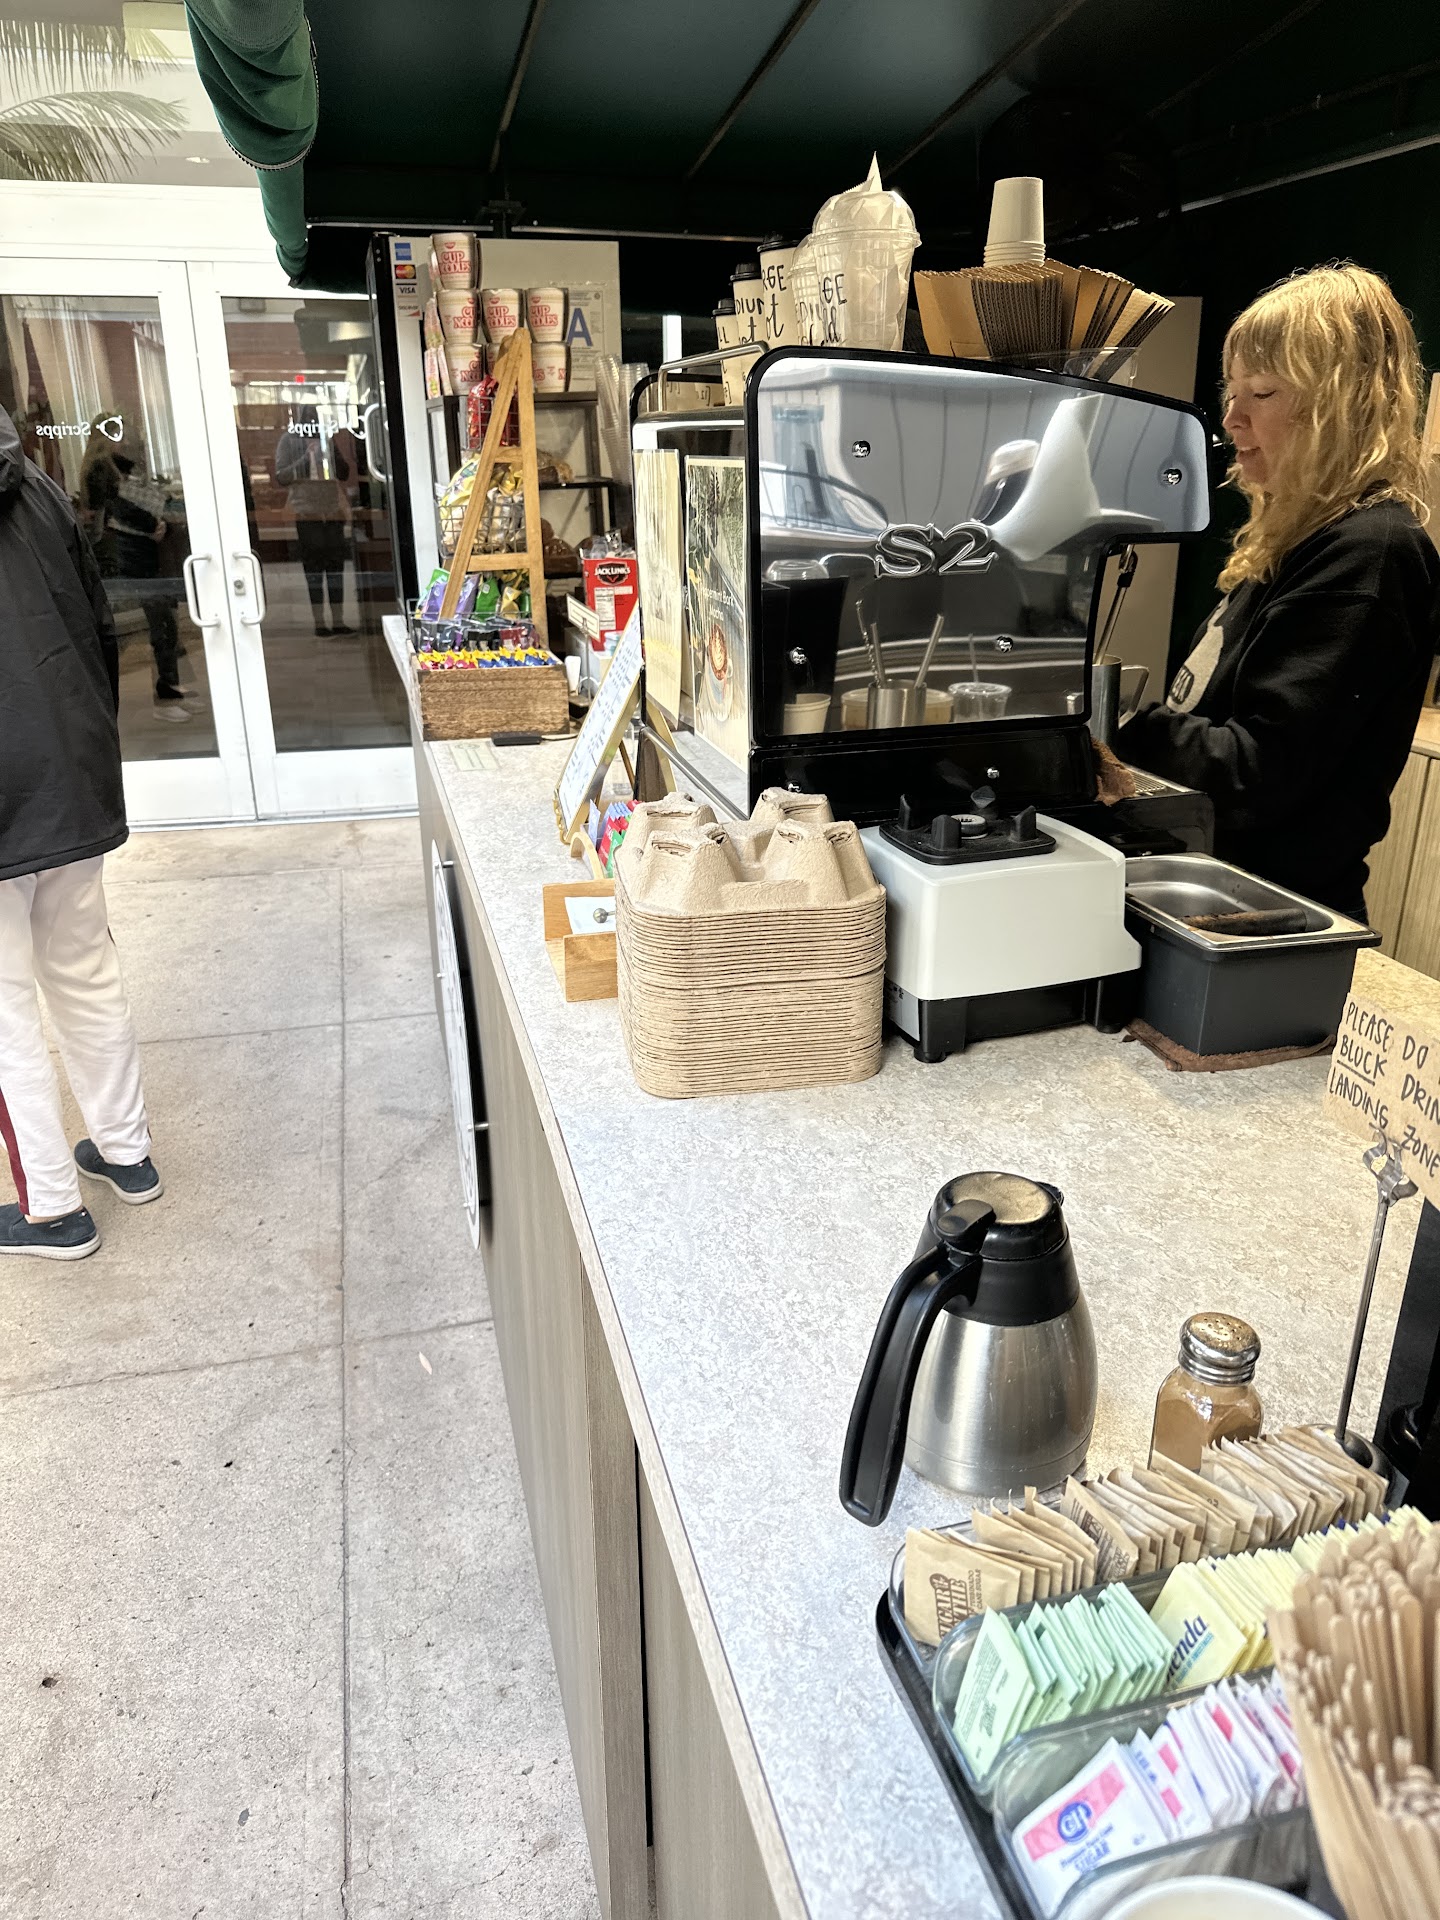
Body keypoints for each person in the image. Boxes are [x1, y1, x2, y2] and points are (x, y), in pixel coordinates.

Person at [1118, 264, 1440, 920]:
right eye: (1231, 392)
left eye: (1261, 393)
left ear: (1341, 403)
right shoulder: (1298, 541)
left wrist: (1117, 722)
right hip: (1220, 891)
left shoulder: (1369, 553)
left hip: (1271, 919)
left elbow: (1253, 774)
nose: (1231, 419)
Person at [0, 407, 162, 1260]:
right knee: (85, 970)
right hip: (68, 769)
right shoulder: (34, 483)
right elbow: (97, 623)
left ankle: (52, 1209)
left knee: (4, 1012)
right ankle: (126, 1152)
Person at [274, 406, 352, 636]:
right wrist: (306, 456)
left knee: (336, 570)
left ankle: (338, 621)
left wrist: (329, 451)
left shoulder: (326, 438)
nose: (312, 421)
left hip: (332, 513)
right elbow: (282, 477)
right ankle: (319, 623)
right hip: (306, 514)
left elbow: (344, 473)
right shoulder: (288, 440)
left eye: (315, 417)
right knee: (314, 571)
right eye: (307, 417)